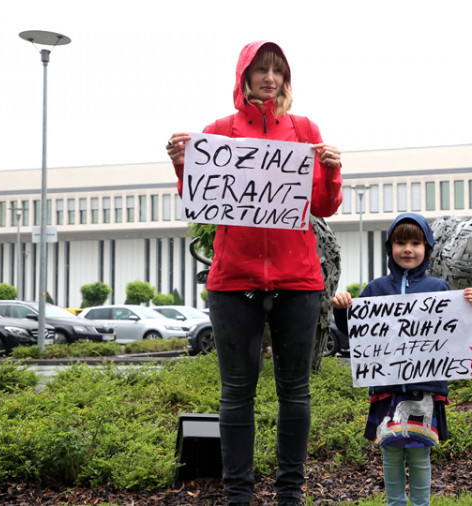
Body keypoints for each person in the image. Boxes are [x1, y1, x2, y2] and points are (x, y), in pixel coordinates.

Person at [166, 40, 343, 506]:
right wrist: (182, 163)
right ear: (244, 76)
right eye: (260, 69)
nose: (269, 77)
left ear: (286, 79)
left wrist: (332, 170)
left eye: (277, 70)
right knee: (237, 393)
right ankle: (238, 496)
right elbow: (202, 203)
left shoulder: (305, 130)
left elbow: (322, 206)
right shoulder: (219, 131)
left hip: (297, 282)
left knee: (295, 391)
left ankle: (290, 494)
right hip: (233, 280)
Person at [332, 213, 472, 506]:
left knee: (420, 452)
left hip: (425, 388)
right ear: (390, 248)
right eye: (401, 242)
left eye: (415, 242)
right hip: (386, 387)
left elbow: (457, 332)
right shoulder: (375, 289)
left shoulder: (439, 289)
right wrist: (342, 309)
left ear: (427, 247)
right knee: (390, 452)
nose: (408, 249)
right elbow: (354, 331)